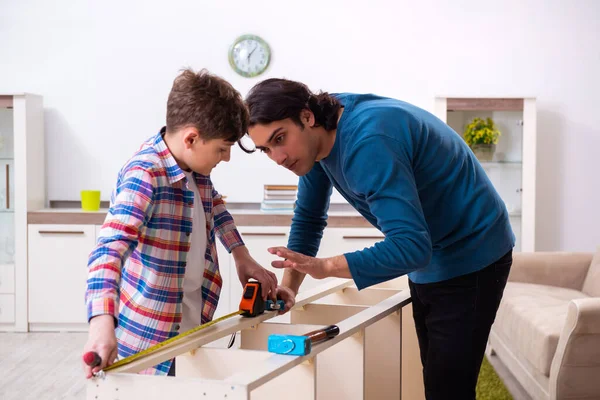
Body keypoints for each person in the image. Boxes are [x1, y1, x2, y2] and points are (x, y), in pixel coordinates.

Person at [241, 78, 514, 399]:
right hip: (433, 251)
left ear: (306, 116)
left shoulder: (367, 141)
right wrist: (290, 286)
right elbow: (309, 218)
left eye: (279, 139)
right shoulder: (315, 140)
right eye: (266, 149)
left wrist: (324, 266)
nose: (278, 157)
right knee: (437, 379)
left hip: (474, 251)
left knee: (448, 389)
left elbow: (411, 247)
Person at [82, 69, 295, 379]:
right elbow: (108, 251)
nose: (226, 158)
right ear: (191, 138)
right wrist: (102, 323)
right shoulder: (145, 175)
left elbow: (214, 205)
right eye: (223, 148)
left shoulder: (194, 166)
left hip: (191, 323)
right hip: (150, 338)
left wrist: (240, 253)